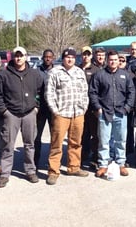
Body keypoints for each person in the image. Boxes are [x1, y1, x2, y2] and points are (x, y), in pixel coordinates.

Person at [0, 46, 43, 188]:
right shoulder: (4, 75)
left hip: (29, 113)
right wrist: (4, 111)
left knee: (30, 145)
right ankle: (4, 174)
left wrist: (36, 107)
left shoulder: (34, 74)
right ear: (12, 57)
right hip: (11, 115)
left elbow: (40, 91)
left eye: (21, 55)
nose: (19, 58)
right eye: (16, 56)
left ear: (26, 56)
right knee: (8, 145)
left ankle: (30, 170)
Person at [45, 48, 89, 185]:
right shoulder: (54, 72)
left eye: (72, 57)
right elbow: (49, 93)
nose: (70, 59)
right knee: (56, 143)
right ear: (63, 58)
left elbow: (84, 91)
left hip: (77, 113)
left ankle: (74, 167)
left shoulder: (79, 72)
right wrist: (55, 110)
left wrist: (83, 107)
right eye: (67, 57)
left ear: (75, 59)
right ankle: (53, 171)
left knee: (76, 143)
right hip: (61, 113)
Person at [89, 50, 135, 178]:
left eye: (115, 60)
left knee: (121, 140)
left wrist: (127, 108)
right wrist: (98, 107)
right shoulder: (99, 75)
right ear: (107, 61)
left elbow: (131, 93)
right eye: (111, 60)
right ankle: (103, 164)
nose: (113, 62)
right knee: (104, 141)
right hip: (105, 113)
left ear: (118, 61)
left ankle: (121, 163)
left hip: (121, 113)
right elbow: (93, 92)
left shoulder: (125, 75)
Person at [80, 46, 100, 169]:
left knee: (95, 135)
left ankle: (95, 159)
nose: (86, 56)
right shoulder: (75, 69)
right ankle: (81, 158)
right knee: (81, 135)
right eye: (84, 54)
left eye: (88, 54)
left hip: (92, 108)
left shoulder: (96, 70)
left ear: (91, 56)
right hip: (79, 108)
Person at [34, 49, 55, 170]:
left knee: (54, 137)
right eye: (46, 57)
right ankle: (35, 162)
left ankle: (52, 162)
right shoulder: (37, 71)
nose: (48, 59)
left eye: (50, 57)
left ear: (53, 58)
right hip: (40, 109)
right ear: (42, 57)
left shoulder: (57, 71)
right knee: (36, 137)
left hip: (52, 109)